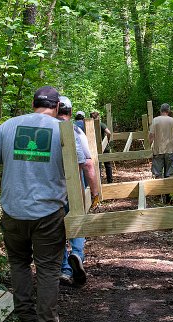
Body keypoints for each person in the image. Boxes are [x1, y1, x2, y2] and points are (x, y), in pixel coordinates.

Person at [0, 86, 86, 322]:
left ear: (33, 104)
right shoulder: (64, 130)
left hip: (13, 211)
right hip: (49, 214)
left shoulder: (9, 126)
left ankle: (26, 320)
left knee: (19, 265)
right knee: (48, 269)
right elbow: (77, 169)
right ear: (56, 107)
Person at [57, 96, 99, 286]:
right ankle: (77, 254)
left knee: (56, 229)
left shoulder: (43, 131)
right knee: (77, 222)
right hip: (73, 188)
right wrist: (95, 192)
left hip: (48, 191)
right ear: (71, 112)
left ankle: (65, 269)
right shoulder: (76, 131)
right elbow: (88, 165)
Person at [149, 103, 173, 203]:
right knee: (169, 174)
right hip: (171, 150)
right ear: (168, 111)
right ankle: (168, 197)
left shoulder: (155, 120)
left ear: (160, 110)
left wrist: (149, 146)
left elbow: (151, 135)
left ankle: (160, 196)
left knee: (158, 174)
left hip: (158, 150)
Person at [90, 111, 113, 184]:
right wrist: (107, 140)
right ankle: (110, 181)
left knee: (97, 166)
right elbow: (109, 132)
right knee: (108, 165)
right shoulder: (101, 124)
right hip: (104, 147)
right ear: (98, 117)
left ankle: (98, 182)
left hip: (95, 148)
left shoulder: (89, 125)